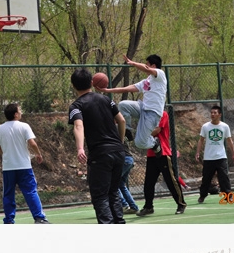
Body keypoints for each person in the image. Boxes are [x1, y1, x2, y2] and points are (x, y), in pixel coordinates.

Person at [68, 67, 127, 224]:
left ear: (73, 85)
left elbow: (78, 125)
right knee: (113, 192)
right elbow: (121, 120)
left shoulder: (76, 106)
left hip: (100, 155)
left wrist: (80, 148)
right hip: (118, 152)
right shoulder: (106, 100)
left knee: (100, 195)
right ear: (91, 82)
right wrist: (120, 142)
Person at [96, 54, 166, 157]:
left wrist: (132, 63)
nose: (145, 66)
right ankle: (127, 130)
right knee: (123, 105)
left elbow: (146, 69)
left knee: (139, 143)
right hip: (142, 107)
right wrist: (107, 90)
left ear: (153, 66)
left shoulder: (160, 75)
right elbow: (126, 88)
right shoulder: (147, 81)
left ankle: (154, 143)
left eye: (147, 64)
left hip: (153, 113)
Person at [0, 103, 50, 224]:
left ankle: (9, 220)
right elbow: (32, 143)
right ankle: (39, 218)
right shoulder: (24, 126)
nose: (21, 112)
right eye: (19, 110)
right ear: (15, 114)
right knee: (30, 191)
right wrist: (38, 154)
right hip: (24, 166)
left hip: (8, 167)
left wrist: (7, 154)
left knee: (8, 194)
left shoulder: (0, 128)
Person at [136, 110, 187, 216]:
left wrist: (142, 134)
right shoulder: (147, 115)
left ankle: (181, 204)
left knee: (171, 180)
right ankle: (148, 207)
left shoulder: (162, 114)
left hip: (163, 153)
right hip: (151, 154)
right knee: (149, 182)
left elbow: (156, 130)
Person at [195, 105, 234, 204]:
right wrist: (198, 152)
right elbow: (201, 140)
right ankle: (202, 195)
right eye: (211, 113)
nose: (212, 114)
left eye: (215, 113)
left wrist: (233, 154)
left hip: (221, 157)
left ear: (220, 115)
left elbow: (229, 140)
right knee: (206, 178)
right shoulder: (205, 126)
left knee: (224, 177)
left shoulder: (225, 126)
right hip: (208, 158)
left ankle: (228, 196)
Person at [118, 140, 139, 214]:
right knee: (121, 185)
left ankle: (124, 205)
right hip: (129, 159)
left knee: (113, 184)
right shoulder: (121, 137)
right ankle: (133, 207)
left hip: (123, 160)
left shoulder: (113, 137)